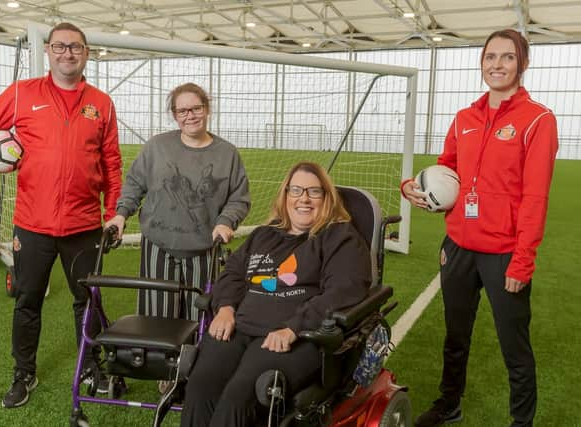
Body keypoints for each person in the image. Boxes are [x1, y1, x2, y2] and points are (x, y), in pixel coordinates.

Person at [0, 22, 122, 408]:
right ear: (48, 51)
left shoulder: (101, 103)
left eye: (76, 47)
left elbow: (112, 162)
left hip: (84, 226)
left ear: (86, 53)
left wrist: (114, 212)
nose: (68, 53)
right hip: (32, 225)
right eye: (61, 47)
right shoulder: (21, 95)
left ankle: (91, 366)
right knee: (27, 300)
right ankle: (24, 373)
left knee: (88, 300)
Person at [401, 29, 558, 427]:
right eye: (490, 57)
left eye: (507, 57)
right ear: (481, 63)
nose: (497, 65)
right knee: (456, 338)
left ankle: (522, 422)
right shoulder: (464, 118)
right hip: (457, 246)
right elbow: (445, 170)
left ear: (522, 64)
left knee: (514, 346)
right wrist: (411, 187)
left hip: (504, 254)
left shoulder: (538, 120)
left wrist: (522, 263)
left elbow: (535, 198)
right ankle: (449, 404)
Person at [180, 161, 371, 427]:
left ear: (327, 198)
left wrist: (294, 328)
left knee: (240, 394)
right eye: (296, 190)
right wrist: (225, 308)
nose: (304, 198)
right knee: (202, 385)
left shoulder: (339, 237)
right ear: (285, 196)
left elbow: (343, 290)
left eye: (314, 192)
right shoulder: (264, 234)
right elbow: (232, 274)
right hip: (238, 327)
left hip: (293, 337)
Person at [105, 82, 250, 322]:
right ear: (174, 115)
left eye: (196, 108)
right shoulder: (156, 147)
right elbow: (134, 184)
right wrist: (121, 214)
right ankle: (159, 359)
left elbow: (239, 198)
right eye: (183, 111)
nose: (190, 116)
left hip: (204, 249)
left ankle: (195, 359)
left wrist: (226, 221)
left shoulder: (227, 154)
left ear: (207, 109)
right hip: (158, 245)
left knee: (200, 318)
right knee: (157, 318)